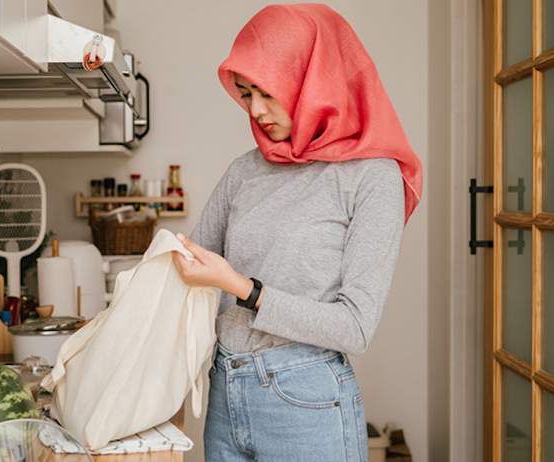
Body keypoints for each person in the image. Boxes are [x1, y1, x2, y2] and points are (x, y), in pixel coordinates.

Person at [171, 4, 423, 461]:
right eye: (246, 94)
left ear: (313, 82)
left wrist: (243, 289)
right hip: (225, 393)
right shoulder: (245, 171)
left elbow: (355, 327)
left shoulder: (373, 177)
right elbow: (190, 265)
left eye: (269, 93)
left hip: (306, 402)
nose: (256, 111)